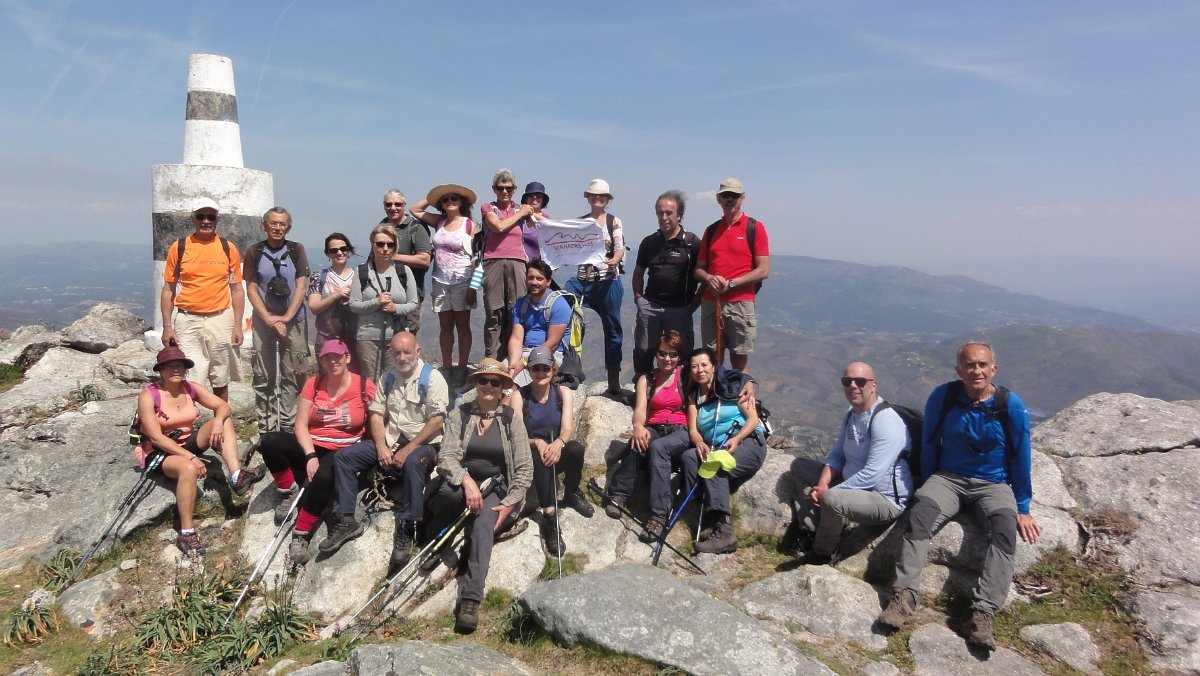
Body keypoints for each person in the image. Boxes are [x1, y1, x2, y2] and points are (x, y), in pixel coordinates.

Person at [876, 342, 1041, 651]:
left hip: (993, 484)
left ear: (994, 369)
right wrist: (926, 484)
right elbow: (929, 442)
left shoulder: (1011, 406)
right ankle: (905, 597)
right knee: (921, 514)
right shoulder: (945, 397)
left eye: (982, 365)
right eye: (969, 365)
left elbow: (1021, 456)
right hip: (949, 479)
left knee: (1005, 531)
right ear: (958, 370)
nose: (976, 370)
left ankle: (982, 612)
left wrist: (1023, 506)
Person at [426, 359, 532, 633]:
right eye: (483, 380)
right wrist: (466, 481)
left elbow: (524, 468)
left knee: (485, 523)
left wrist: (509, 503)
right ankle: (434, 542)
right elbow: (447, 456)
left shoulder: (511, 420)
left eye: (495, 382)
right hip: (462, 480)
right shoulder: (460, 414)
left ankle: (471, 598)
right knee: (447, 498)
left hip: (495, 487)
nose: (488, 386)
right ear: (475, 383)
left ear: (502, 389)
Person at [330, 332, 450, 570]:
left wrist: (407, 450)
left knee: (415, 462)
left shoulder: (433, 379)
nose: (402, 357)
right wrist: (380, 445)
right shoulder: (388, 378)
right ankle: (345, 518)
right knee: (344, 458)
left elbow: (436, 422)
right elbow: (376, 414)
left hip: (425, 443)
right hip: (392, 441)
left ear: (418, 351)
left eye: (407, 351)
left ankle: (408, 525)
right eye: (397, 352)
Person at [255, 339, 377, 565]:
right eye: (327, 357)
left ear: (347, 357)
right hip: (313, 444)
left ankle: (301, 534)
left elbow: (379, 417)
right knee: (270, 441)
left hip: (342, 449)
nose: (333, 361)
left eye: (337, 356)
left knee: (324, 476)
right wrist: (310, 456)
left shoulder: (364, 386)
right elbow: (300, 424)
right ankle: (288, 490)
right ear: (321, 360)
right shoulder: (314, 383)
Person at [135, 341, 264, 555]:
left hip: (185, 441)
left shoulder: (191, 388)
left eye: (180, 366)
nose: (176, 370)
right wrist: (190, 458)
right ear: (161, 371)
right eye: (170, 366)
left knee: (224, 421)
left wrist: (218, 422)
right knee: (188, 469)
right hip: (159, 452)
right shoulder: (149, 395)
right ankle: (186, 533)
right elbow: (156, 438)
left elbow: (222, 406)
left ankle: (236, 477)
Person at [646, 348, 767, 554]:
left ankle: (725, 530)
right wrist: (699, 442)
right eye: (694, 366)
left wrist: (737, 438)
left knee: (714, 464)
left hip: (747, 443)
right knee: (689, 457)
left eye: (704, 365)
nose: (699, 370)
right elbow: (693, 429)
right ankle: (702, 514)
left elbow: (753, 419)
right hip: (715, 446)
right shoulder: (695, 396)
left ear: (713, 367)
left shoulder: (732, 386)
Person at [793, 362, 913, 565]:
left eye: (860, 381)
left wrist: (829, 493)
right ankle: (813, 529)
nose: (853, 386)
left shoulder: (885, 421)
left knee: (832, 499)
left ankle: (823, 553)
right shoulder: (851, 415)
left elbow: (873, 474)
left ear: (873, 385)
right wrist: (822, 484)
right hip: (853, 483)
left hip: (883, 498)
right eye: (847, 381)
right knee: (800, 466)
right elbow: (838, 455)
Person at [159, 197, 245, 400]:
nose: (206, 221)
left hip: (221, 318)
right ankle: (187, 425)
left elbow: (237, 289)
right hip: (188, 320)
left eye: (211, 217)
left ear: (217, 219)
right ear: (193, 218)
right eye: (200, 216)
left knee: (220, 376)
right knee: (188, 376)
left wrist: (238, 325)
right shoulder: (179, 247)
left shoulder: (228, 248)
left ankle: (222, 424)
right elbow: (168, 289)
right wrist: (167, 326)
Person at [518, 346, 593, 558]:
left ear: (553, 369)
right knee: (541, 459)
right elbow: (517, 435)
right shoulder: (520, 396)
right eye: (535, 369)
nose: (541, 373)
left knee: (576, 449)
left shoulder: (562, 393)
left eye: (545, 368)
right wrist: (539, 443)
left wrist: (559, 443)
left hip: (555, 446)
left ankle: (571, 492)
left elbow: (567, 428)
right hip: (531, 452)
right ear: (529, 370)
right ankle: (550, 517)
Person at [606, 331, 689, 519]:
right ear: (656, 355)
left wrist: (746, 382)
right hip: (655, 428)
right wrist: (638, 426)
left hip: (680, 431)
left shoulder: (685, 377)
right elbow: (641, 409)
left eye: (673, 354)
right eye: (662, 353)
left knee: (659, 447)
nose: (667, 358)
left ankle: (658, 515)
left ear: (680, 356)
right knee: (638, 444)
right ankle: (618, 496)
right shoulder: (647, 380)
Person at [243, 207, 311, 433]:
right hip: (265, 320)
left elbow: (302, 284)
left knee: (293, 372)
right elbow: (251, 288)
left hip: (294, 319)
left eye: (282, 224)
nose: (278, 228)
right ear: (264, 226)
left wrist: (287, 317)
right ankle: (267, 424)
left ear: (288, 227)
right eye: (273, 223)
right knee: (264, 373)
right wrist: (271, 319)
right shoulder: (255, 251)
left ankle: (289, 422)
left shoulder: (296, 250)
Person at [693, 178, 770, 373]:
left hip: (740, 301)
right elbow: (699, 269)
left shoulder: (755, 228)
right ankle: (715, 399)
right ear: (719, 198)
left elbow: (763, 270)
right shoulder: (711, 231)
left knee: (739, 357)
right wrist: (710, 278)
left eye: (734, 195)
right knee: (712, 357)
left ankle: (742, 401)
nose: (730, 199)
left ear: (742, 199)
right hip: (712, 300)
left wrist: (732, 284)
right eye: (726, 195)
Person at [411, 184, 478, 387]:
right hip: (440, 280)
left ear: (461, 203)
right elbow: (415, 210)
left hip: (462, 280)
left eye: (454, 199)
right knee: (445, 326)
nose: (450, 202)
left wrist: (473, 287)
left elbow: (478, 257)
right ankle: (447, 365)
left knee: (463, 326)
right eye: (446, 199)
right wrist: (433, 195)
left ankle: (463, 366)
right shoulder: (438, 221)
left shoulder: (469, 225)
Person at [565, 179, 626, 398]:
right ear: (588, 198)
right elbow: (569, 247)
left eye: (601, 196)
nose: (597, 199)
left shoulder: (613, 221)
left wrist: (615, 259)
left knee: (613, 330)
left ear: (607, 199)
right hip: (583, 280)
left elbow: (619, 248)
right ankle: (568, 371)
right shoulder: (579, 223)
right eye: (593, 195)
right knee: (564, 313)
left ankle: (614, 380)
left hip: (608, 280)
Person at [632, 191, 701, 378]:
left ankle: (680, 397)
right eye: (660, 212)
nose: (664, 217)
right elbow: (638, 272)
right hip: (650, 307)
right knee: (644, 351)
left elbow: (704, 276)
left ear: (680, 215)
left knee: (679, 355)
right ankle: (643, 393)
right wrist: (639, 299)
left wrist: (692, 307)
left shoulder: (691, 243)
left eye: (669, 213)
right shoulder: (649, 242)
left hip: (679, 309)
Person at [350, 224, 419, 382]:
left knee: (395, 380)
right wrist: (376, 302)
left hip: (397, 336)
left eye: (390, 244)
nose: (385, 248)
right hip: (367, 337)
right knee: (370, 382)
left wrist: (395, 308)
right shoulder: (361, 272)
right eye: (380, 244)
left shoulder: (404, 271)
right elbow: (354, 305)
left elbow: (414, 303)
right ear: (372, 245)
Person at [479, 169, 532, 359]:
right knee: (494, 311)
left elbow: (543, 224)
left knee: (516, 311)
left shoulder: (522, 210)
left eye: (508, 188)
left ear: (514, 189)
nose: (504, 192)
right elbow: (498, 227)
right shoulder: (488, 207)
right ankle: (492, 359)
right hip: (493, 261)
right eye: (500, 188)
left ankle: (515, 359)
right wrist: (522, 213)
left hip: (518, 262)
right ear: (494, 189)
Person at [507, 259, 572, 387]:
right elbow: (516, 338)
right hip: (525, 352)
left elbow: (552, 344)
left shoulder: (559, 305)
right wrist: (513, 366)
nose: (534, 282)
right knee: (498, 379)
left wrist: (524, 364)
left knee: (514, 388)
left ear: (548, 282)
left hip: (549, 355)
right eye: (530, 278)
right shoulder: (521, 304)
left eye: (539, 278)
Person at [381, 189, 432, 335]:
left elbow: (424, 259)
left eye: (397, 204)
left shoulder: (416, 228)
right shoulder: (382, 226)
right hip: (384, 293)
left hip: (410, 294)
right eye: (388, 204)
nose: (393, 208)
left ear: (404, 205)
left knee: (406, 338)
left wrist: (391, 256)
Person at [306, 232, 358, 367]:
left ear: (349, 250)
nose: (339, 253)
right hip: (326, 337)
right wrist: (336, 295)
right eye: (334, 250)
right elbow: (314, 307)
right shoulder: (318, 277)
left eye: (343, 249)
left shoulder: (360, 277)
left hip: (355, 338)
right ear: (327, 254)